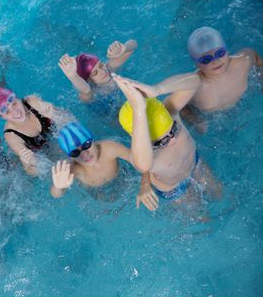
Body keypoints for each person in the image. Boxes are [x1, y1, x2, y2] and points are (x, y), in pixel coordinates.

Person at [113, 74, 220, 212]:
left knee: (220, 194)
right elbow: (143, 165)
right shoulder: (141, 155)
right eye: (162, 142)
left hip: (196, 165)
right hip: (175, 190)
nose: (173, 140)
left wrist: (158, 89)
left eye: (174, 129)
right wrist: (139, 110)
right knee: (202, 219)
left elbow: (194, 81)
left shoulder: (170, 111)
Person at [129, 27, 263, 130]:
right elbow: (176, 107)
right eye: (206, 59)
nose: (215, 61)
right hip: (214, 122)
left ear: (226, 50)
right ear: (196, 63)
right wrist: (194, 119)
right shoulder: (196, 86)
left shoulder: (243, 61)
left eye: (219, 53)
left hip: (245, 111)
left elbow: (257, 58)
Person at [0, 87, 63, 176]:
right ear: (2, 117)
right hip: (40, 151)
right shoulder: (11, 135)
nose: (15, 112)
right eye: (7, 112)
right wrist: (29, 163)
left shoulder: (32, 102)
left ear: (18, 99)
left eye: (14, 104)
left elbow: (67, 117)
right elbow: (32, 173)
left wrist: (56, 115)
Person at [50, 122, 131, 198]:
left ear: (92, 140)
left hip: (122, 179)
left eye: (86, 145)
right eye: (75, 152)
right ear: (71, 157)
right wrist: (58, 187)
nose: (84, 154)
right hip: (96, 193)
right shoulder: (75, 169)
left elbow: (137, 159)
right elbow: (55, 194)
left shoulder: (110, 148)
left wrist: (144, 183)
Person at [58, 39, 137, 102]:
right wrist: (72, 75)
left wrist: (124, 48)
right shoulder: (93, 92)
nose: (103, 72)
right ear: (88, 80)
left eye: (101, 65)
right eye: (95, 73)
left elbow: (134, 44)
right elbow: (85, 90)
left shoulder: (110, 68)